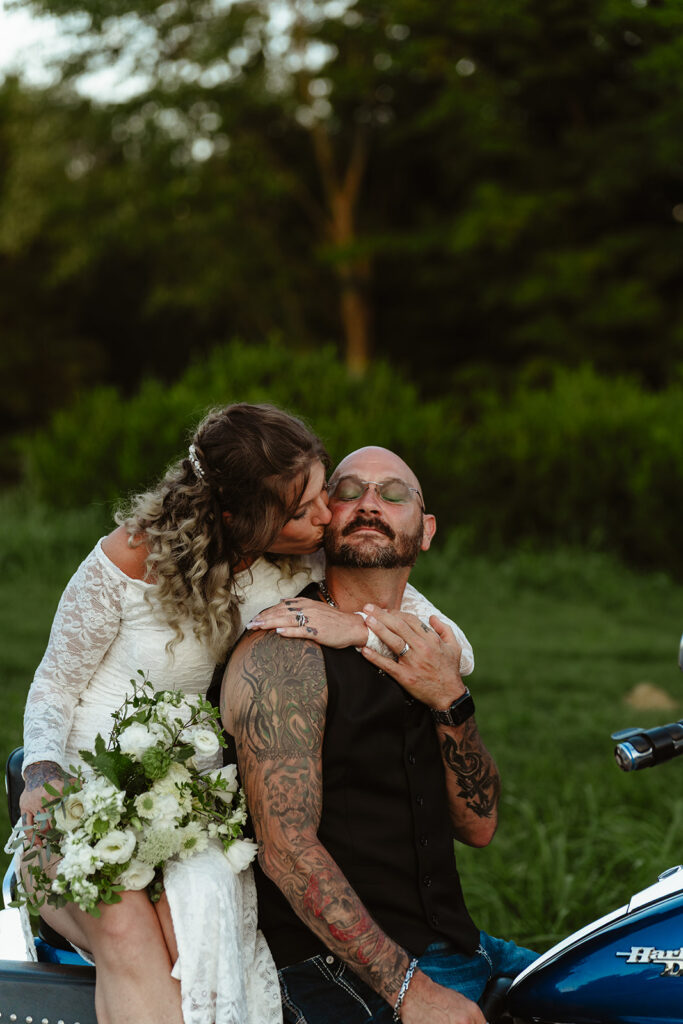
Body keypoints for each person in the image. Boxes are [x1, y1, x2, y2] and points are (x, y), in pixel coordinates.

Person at [18, 407, 471, 1024]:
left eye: (319, 495)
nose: (324, 518)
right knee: (126, 930)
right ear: (240, 520)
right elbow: (53, 684)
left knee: (202, 940)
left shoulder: (291, 561)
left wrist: (356, 625)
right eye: (301, 509)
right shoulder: (129, 556)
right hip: (78, 793)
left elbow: (455, 649)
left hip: (185, 806)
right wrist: (41, 774)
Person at [221, 446, 537, 1024]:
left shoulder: (430, 648)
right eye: (347, 492)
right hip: (342, 965)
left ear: (426, 530)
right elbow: (286, 849)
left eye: (394, 494)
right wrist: (410, 993)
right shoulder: (282, 651)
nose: (369, 504)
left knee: (622, 990)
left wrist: (450, 698)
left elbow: (479, 825)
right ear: (321, 519)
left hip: (459, 947)